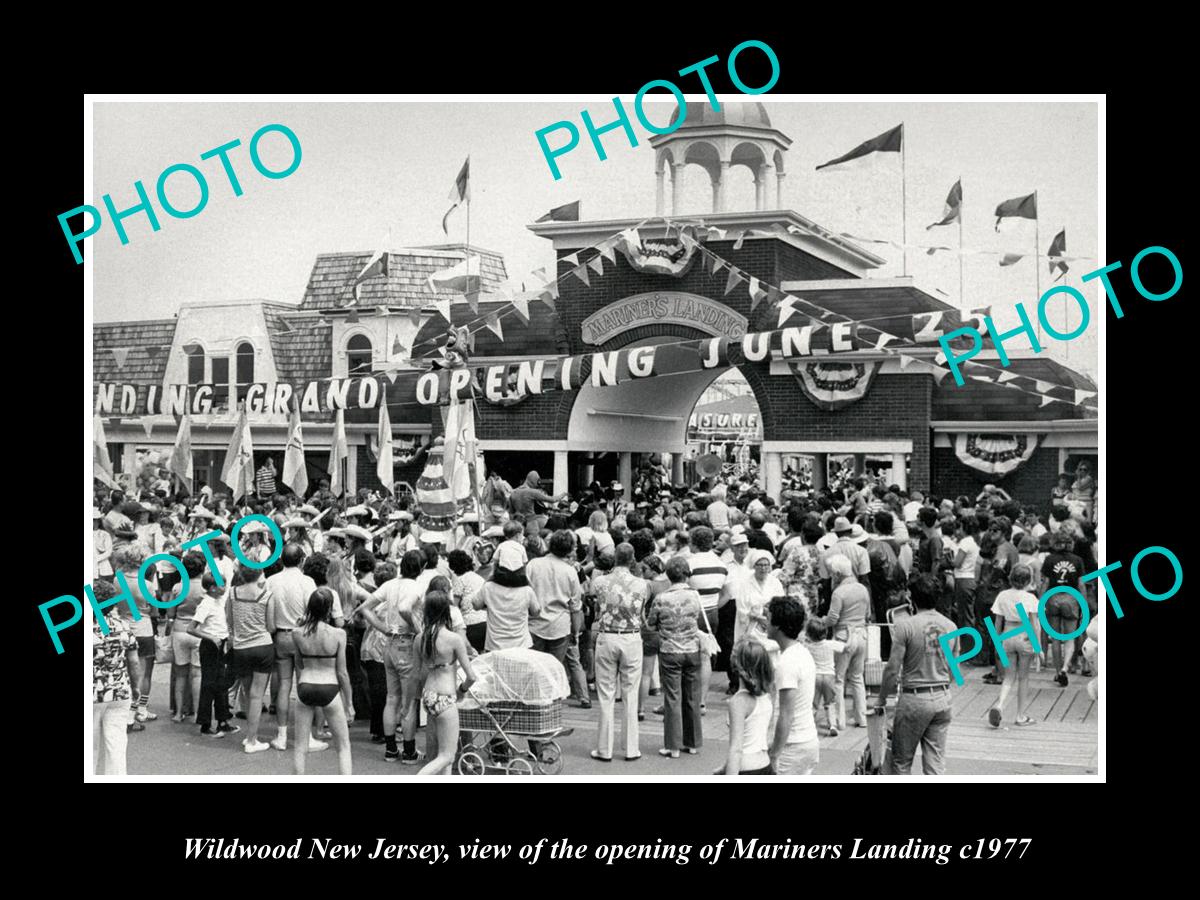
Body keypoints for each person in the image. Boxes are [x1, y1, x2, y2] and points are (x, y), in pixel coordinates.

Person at [874, 574, 958, 775]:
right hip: (942, 696)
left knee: (901, 762)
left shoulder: (906, 626)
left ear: (912, 599)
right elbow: (954, 671)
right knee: (935, 763)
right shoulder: (951, 626)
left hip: (914, 697)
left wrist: (881, 699)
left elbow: (892, 670)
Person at [357, 551, 424, 764]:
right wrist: (416, 627)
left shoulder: (390, 585)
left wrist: (384, 628)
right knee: (409, 702)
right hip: (407, 643)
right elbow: (405, 608)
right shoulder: (416, 587)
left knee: (392, 699)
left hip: (390, 644)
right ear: (420, 569)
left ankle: (391, 750)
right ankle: (410, 751)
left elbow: (364, 608)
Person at [264, 544, 327, 753]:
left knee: (284, 685)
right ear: (301, 560)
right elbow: (313, 608)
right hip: (302, 635)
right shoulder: (306, 581)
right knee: (304, 686)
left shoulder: (271, 581)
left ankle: (281, 735)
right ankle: (306, 736)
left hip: (280, 635)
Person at [589, 544, 648, 762]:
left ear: (615, 558)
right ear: (632, 559)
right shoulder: (642, 584)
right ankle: (631, 748)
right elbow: (641, 611)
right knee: (630, 693)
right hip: (632, 637)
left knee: (606, 693)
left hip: (608, 636)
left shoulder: (600, 582)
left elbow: (595, 605)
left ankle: (604, 749)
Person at [291, 587, 353, 776]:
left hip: (306, 685)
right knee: (343, 746)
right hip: (330, 687)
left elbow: (299, 663)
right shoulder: (338, 634)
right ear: (329, 609)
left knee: (300, 747)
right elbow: (342, 673)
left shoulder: (297, 632)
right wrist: (349, 703)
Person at [647, 556, 704, 759]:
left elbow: (651, 624)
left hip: (670, 650)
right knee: (691, 696)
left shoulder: (662, 598)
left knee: (672, 697)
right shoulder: (695, 596)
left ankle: (673, 746)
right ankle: (693, 742)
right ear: (687, 573)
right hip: (692, 649)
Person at [415, 590, 478, 775]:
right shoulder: (453, 639)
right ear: (446, 611)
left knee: (441, 757)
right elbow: (471, 676)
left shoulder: (420, 638)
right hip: (446, 696)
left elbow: (418, 673)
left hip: (428, 695)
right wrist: (462, 689)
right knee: (447, 756)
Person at [225, 562, 275, 753]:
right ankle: (252, 739)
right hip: (262, 645)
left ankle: (250, 737)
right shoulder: (267, 595)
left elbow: (229, 619)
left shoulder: (232, 593)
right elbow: (271, 626)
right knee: (257, 695)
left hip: (241, 647)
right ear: (260, 573)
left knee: (247, 692)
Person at [767, 596, 820, 776]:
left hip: (793, 745)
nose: (765, 623)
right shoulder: (802, 653)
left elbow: (786, 715)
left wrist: (774, 753)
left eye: (768, 619)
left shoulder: (786, 663)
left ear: (777, 625)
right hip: (807, 739)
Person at [527, 530, 585, 685]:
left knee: (534, 668)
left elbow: (525, 592)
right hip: (560, 626)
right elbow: (575, 606)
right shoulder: (570, 571)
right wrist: (576, 631)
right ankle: (552, 701)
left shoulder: (533, 565)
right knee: (554, 670)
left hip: (534, 624)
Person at [187, 571, 240, 739]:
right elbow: (191, 628)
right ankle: (205, 723)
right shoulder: (206, 604)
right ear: (212, 588)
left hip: (221, 643)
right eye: (221, 585)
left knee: (222, 683)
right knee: (209, 684)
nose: (224, 587)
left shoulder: (218, 601)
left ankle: (222, 720)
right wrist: (211, 637)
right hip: (211, 645)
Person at [987, 565, 1042, 728]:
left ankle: (1000, 705)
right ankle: (1020, 716)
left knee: (1008, 677)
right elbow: (1035, 624)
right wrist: (1038, 647)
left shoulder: (1002, 595)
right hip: (1024, 635)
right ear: (1029, 580)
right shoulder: (1030, 598)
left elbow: (997, 621)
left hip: (1007, 634)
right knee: (1023, 677)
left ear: (1011, 578)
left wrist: (996, 643)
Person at [91, 581, 136, 775]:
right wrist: (136, 688)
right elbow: (133, 662)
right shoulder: (123, 626)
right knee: (117, 744)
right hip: (120, 689)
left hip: (92, 692)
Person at [821, 554, 870, 730]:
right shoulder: (862, 589)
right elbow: (867, 614)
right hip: (862, 634)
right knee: (857, 678)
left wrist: (822, 620)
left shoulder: (839, 592)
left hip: (843, 637)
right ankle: (862, 718)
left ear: (837, 574)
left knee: (839, 679)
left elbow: (833, 619)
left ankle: (839, 721)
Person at [716, 639, 775, 776]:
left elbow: (736, 748)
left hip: (746, 767)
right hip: (765, 764)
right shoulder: (767, 696)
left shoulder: (739, 702)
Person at [474, 542, 541, 652]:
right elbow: (536, 611)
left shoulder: (488, 587)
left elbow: (476, 605)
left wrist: (489, 578)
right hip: (521, 645)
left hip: (495, 645)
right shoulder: (527, 591)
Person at [165, 551, 207, 725]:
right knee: (197, 675)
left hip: (180, 631)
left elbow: (171, 612)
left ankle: (178, 712)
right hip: (199, 632)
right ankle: (198, 713)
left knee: (180, 674)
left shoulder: (178, 587)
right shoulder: (206, 588)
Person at [1040, 530, 1086, 686]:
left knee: (1056, 638)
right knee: (1069, 637)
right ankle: (1066, 667)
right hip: (1071, 598)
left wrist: (1040, 602)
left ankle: (1058, 672)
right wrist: (1083, 604)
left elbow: (1045, 583)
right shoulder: (1078, 560)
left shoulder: (1049, 559)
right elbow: (1081, 584)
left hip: (1052, 598)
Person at [803, 619, 844, 736]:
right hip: (829, 676)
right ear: (825, 633)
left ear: (809, 634)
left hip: (815, 677)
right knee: (830, 702)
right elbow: (844, 647)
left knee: (814, 704)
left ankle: (808, 725)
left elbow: (801, 643)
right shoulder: (830, 644)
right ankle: (832, 725)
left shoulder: (808, 646)